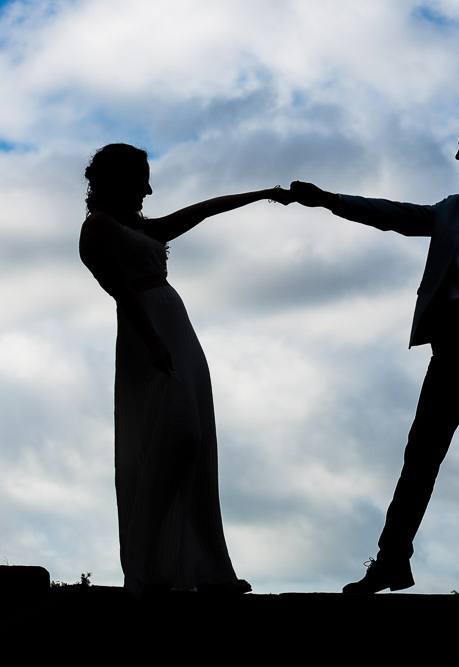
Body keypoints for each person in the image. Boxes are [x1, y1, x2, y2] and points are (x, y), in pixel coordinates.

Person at [288, 117, 459, 593]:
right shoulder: (452, 209)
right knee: (422, 452)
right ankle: (392, 560)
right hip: (457, 339)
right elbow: (394, 215)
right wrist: (329, 201)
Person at [80, 143, 289, 597]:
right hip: (148, 334)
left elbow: (202, 212)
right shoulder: (96, 228)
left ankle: (209, 571)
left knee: (196, 449)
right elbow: (120, 289)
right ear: (116, 178)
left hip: (177, 332)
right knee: (179, 437)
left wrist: (257, 195)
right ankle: (149, 567)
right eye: (141, 177)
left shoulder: (140, 227)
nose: (149, 188)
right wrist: (152, 340)